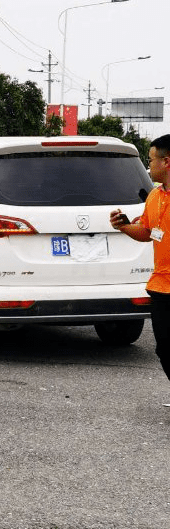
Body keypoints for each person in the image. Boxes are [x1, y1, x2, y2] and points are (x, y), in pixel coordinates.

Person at [110, 134, 170, 401]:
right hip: (160, 286)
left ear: (167, 162)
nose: (149, 166)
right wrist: (124, 226)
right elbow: (147, 232)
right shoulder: (155, 196)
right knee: (164, 349)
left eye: (151, 159)